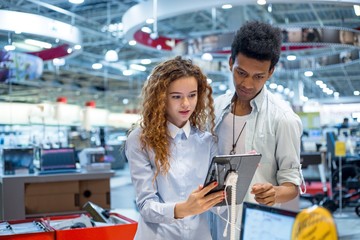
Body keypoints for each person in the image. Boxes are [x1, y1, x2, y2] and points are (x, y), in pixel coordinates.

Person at [211, 21, 304, 239]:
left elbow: (292, 183)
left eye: (258, 76)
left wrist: (276, 193)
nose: (248, 84)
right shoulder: (213, 109)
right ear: (230, 62)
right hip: (215, 224)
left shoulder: (283, 119)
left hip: (259, 229)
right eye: (241, 73)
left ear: (271, 72)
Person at [125, 56, 224, 240]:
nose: (186, 104)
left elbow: (218, 200)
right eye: (176, 97)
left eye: (192, 95)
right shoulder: (140, 140)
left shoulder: (207, 141)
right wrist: (182, 209)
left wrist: (239, 180)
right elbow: (146, 205)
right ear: (161, 98)